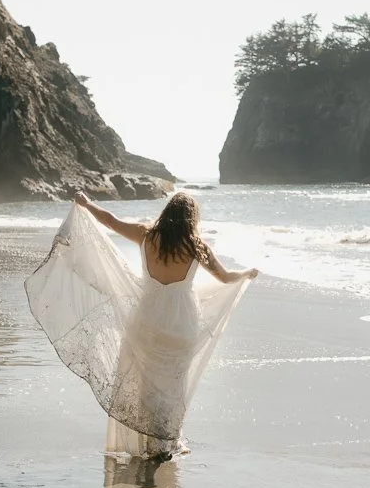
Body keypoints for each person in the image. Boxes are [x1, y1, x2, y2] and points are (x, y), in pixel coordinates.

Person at [24, 190, 257, 460]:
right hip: (182, 324)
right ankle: (166, 442)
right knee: (173, 383)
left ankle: (148, 442)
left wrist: (87, 204)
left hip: (147, 320)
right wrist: (247, 274)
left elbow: (110, 221)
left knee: (145, 382)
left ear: (167, 212)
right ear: (191, 218)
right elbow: (226, 277)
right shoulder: (197, 247)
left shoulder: (146, 235)